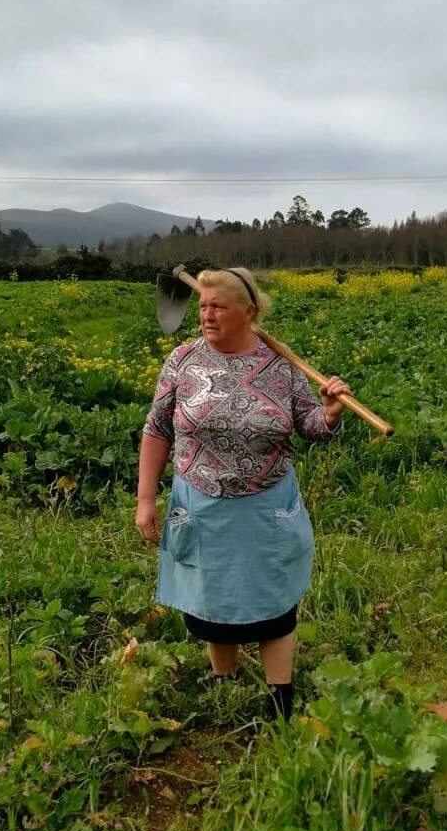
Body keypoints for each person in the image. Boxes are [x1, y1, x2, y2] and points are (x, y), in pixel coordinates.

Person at [135, 266, 349, 720]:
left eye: (218, 307)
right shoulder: (182, 361)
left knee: (274, 606)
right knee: (211, 604)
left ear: (249, 312)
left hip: (266, 505)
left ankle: (279, 702)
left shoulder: (282, 368)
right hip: (201, 503)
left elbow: (310, 426)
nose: (207, 315)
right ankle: (224, 683)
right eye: (203, 306)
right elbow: (156, 430)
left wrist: (329, 413)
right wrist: (146, 500)